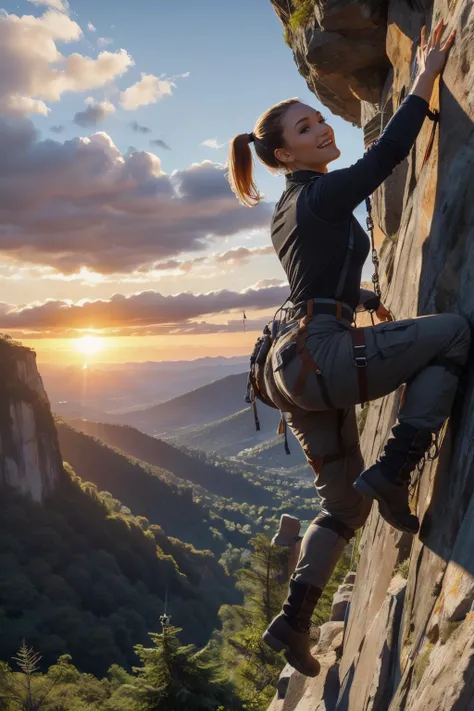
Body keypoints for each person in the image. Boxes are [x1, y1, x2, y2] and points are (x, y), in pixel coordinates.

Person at [226, 19, 470, 677]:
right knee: (452, 332)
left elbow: (310, 277)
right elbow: (385, 157)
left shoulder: (291, 205)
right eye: (305, 129)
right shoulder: (325, 192)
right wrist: (423, 78)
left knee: (343, 506)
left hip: (289, 365)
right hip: (315, 357)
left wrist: (360, 299)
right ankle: (395, 466)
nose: (322, 130)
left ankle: (294, 619)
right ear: (283, 155)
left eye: (318, 120)